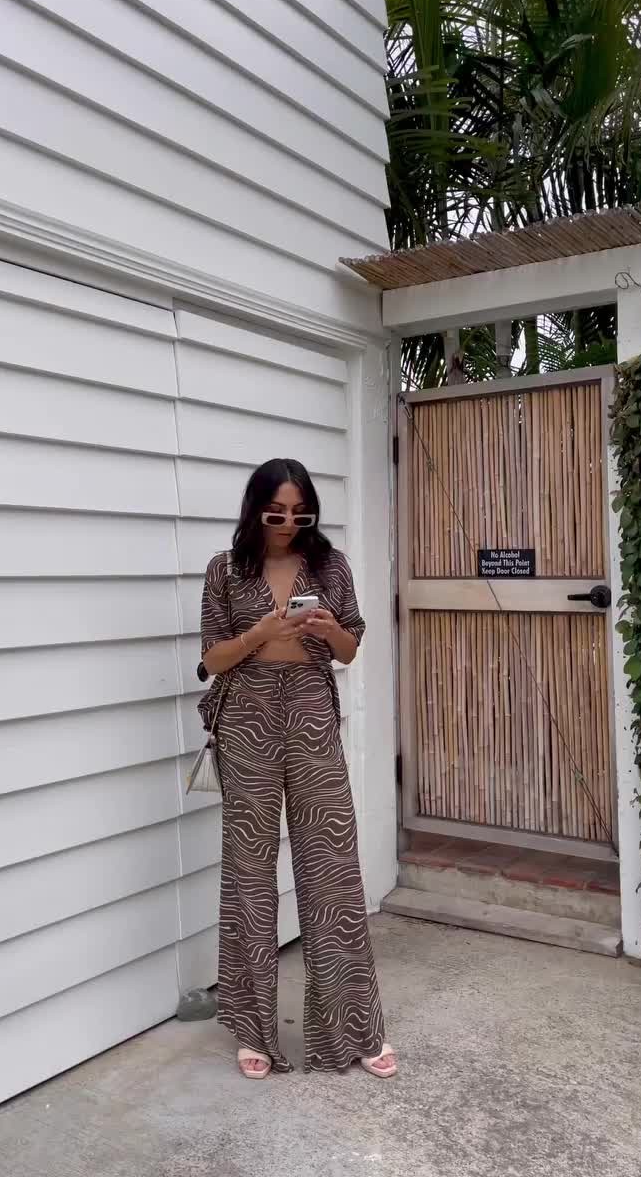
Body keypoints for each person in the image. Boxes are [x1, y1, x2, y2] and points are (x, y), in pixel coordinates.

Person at [199, 458, 397, 1081]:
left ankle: (355, 1029)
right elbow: (212, 658)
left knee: (332, 867)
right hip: (247, 715)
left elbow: (350, 649)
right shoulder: (226, 569)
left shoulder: (330, 567)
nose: (288, 523)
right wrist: (260, 631)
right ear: (254, 509)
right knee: (250, 872)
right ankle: (253, 1029)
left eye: (300, 513)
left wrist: (331, 628)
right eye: (277, 512)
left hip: (311, 710)